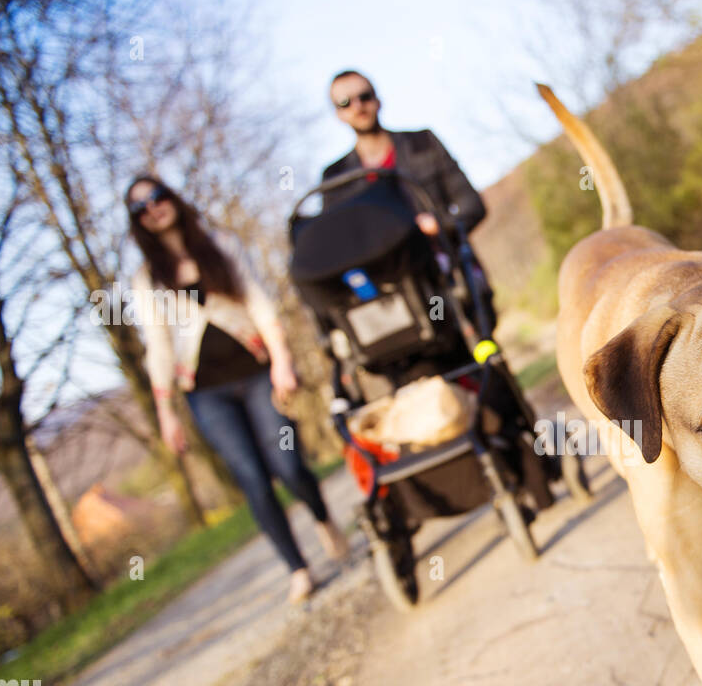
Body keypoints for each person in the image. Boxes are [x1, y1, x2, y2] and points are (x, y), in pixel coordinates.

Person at [127, 175, 349, 604]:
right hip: (205, 393)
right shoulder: (148, 278)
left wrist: (282, 360)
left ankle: (323, 518)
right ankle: (298, 569)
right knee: (253, 479)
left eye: (157, 197)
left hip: (256, 374)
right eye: (141, 208)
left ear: (171, 199)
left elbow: (261, 305)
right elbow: (158, 345)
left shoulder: (220, 246)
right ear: (138, 221)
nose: (153, 208)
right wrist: (166, 411)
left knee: (288, 465)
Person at [322, 70, 487, 238]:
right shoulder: (335, 178)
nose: (358, 107)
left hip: (446, 258)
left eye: (364, 96)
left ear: (378, 100)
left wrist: (441, 226)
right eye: (345, 102)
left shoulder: (423, 142)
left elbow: (472, 205)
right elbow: (337, 240)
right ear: (338, 114)